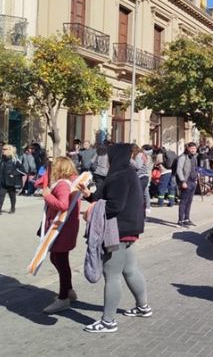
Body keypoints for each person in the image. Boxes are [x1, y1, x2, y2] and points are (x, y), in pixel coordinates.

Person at [80, 143, 150, 333]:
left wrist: (92, 210)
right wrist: (89, 196)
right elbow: (104, 197)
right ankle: (143, 307)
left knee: (112, 275)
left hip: (117, 231)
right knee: (130, 270)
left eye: (109, 156)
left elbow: (114, 206)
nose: (106, 159)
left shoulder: (120, 176)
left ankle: (108, 321)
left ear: (116, 156)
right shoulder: (126, 173)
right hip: (129, 230)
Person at [41, 157, 80, 314]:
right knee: (57, 259)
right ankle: (68, 289)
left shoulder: (63, 184)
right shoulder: (70, 182)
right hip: (65, 227)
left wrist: (47, 196)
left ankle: (63, 298)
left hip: (62, 228)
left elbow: (63, 205)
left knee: (61, 261)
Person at [175, 142, 199, 227]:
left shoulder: (194, 157)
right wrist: (182, 181)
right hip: (186, 181)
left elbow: (195, 169)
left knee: (189, 201)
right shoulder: (183, 157)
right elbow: (179, 170)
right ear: (188, 148)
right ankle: (180, 220)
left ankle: (187, 219)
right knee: (184, 201)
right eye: (191, 148)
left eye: (194, 148)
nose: (193, 150)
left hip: (193, 181)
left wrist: (196, 179)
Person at [0, 145, 22, 214]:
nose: (3, 150)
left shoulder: (15, 160)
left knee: (12, 196)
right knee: (1, 195)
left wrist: (13, 173)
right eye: (3, 149)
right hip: (2, 181)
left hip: (11, 182)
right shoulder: (1, 160)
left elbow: (22, 170)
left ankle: (12, 208)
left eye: (5, 149)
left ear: (9, 150)